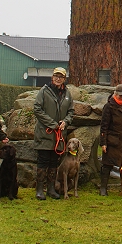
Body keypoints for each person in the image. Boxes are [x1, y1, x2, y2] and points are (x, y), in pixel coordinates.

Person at [32, 67, 74, 200]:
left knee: (54, 162)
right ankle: (40, 189)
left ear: (64, 79)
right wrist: (52, 124)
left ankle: (51, 188)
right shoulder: (44, 91)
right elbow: (37, 109)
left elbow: (71, 112)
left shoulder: (67, 94)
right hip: (45, 133)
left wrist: (65, 122)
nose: (58, 79)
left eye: (61, 77)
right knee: (43, 161)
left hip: (59, 136)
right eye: (56, 76)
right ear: (52, 77)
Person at [99, 84, 122, 196]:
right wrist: (103, 142)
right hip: (112, 141)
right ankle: (103, 188)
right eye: (120, 95)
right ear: (115, 94)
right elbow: (104, 126)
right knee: (107, 165)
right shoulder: (108, 106)